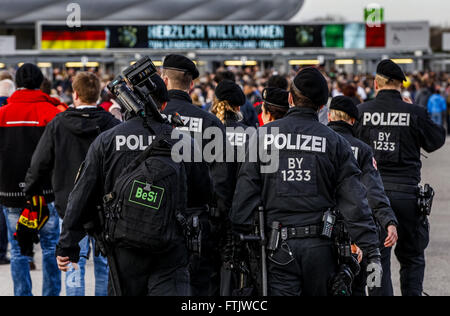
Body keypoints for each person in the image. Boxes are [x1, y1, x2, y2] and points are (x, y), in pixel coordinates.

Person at [231, 67, 381, 296]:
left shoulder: (263, 136)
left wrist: (239, 241)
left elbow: (244, 198)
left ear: (290, 98)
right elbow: (355, 201)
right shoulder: (336, 142)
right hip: (321, 249)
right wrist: (371, 250)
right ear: (322, 106)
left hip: (276, 248)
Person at [56, 72, 207, 296]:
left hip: (124, 246)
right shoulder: (183, 142)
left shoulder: (107, 140)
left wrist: (68, 243)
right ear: (164, 104)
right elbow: (203, 194)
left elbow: (82, 194)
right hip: (171, 247)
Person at [355, 60, 446, 296]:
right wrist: (414, 111)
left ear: (376, 84)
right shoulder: (413, 112)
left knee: (376, 259)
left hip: (372, 196)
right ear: (400, 85)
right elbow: (436, 140)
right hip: (407, 196)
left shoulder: (362, 112)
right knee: (412, 257)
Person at [24, 72, 120, 296]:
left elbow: (39, 163)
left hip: (69, 206)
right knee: (104, 266)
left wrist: (31, 190)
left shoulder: (59, 124)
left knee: (72, 264)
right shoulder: (112, 125)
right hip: (105, 207)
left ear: (74, 94)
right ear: (98, 94)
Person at [327, 96, 399, 296]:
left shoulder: (321, 142)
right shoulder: (363, 149)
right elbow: (373, 190)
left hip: (321, 229)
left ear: (330, 115)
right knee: (362, 282)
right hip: (356, 227)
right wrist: (388, 221)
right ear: (352, 121)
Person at [0, 63, 61, 296]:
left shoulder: (2, 114)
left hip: (11, 194)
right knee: (50, 248)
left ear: (17, 85)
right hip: (46, 194)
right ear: (40, 84)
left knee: (17, 252)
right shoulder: (53, 114)